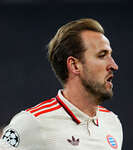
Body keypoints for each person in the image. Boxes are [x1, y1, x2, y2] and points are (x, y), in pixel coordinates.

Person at [0, 18, 123, 150]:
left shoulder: (112, 123)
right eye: (102, 55)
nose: (114, 65)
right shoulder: (33, 122)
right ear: (75, 65)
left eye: (110, 55)